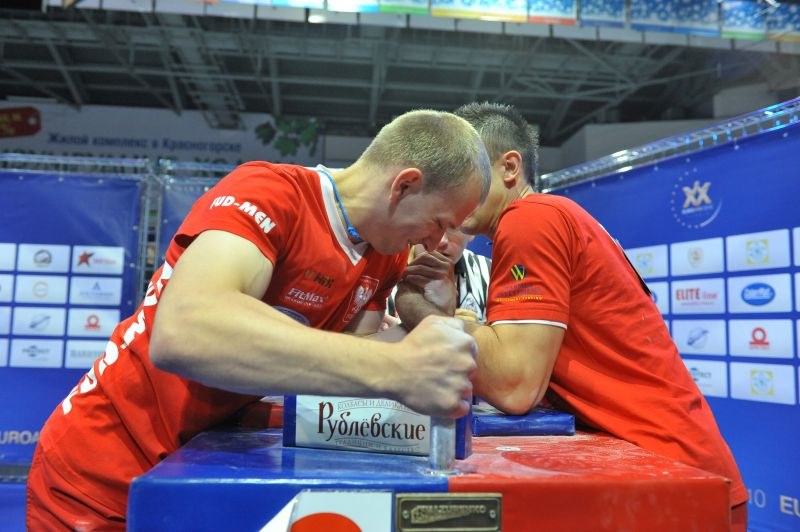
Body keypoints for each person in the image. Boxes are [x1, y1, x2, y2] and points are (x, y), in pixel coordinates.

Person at [26, 109, 491, 530]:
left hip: (199, 470)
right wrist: (401, 369)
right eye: (441, 222)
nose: (438, 243)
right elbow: (185, 330)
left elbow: (347, 365)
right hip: (101, 474)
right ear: (404, 185)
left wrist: (427, 325)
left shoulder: (385, 260)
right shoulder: (270, 193)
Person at [395, 102, 748, 530]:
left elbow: (514, 386)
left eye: (461, 173)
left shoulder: (531, 219)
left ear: (509, 168)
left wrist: (417, 307)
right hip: (663, 474)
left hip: (672, 481)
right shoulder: (550, 217)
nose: (447, 190)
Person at [387, 228, 491, 323]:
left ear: (471, 232)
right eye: (432, 225)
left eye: (453, 228)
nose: (442, 241)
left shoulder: (489, 273)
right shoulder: (384, 270)